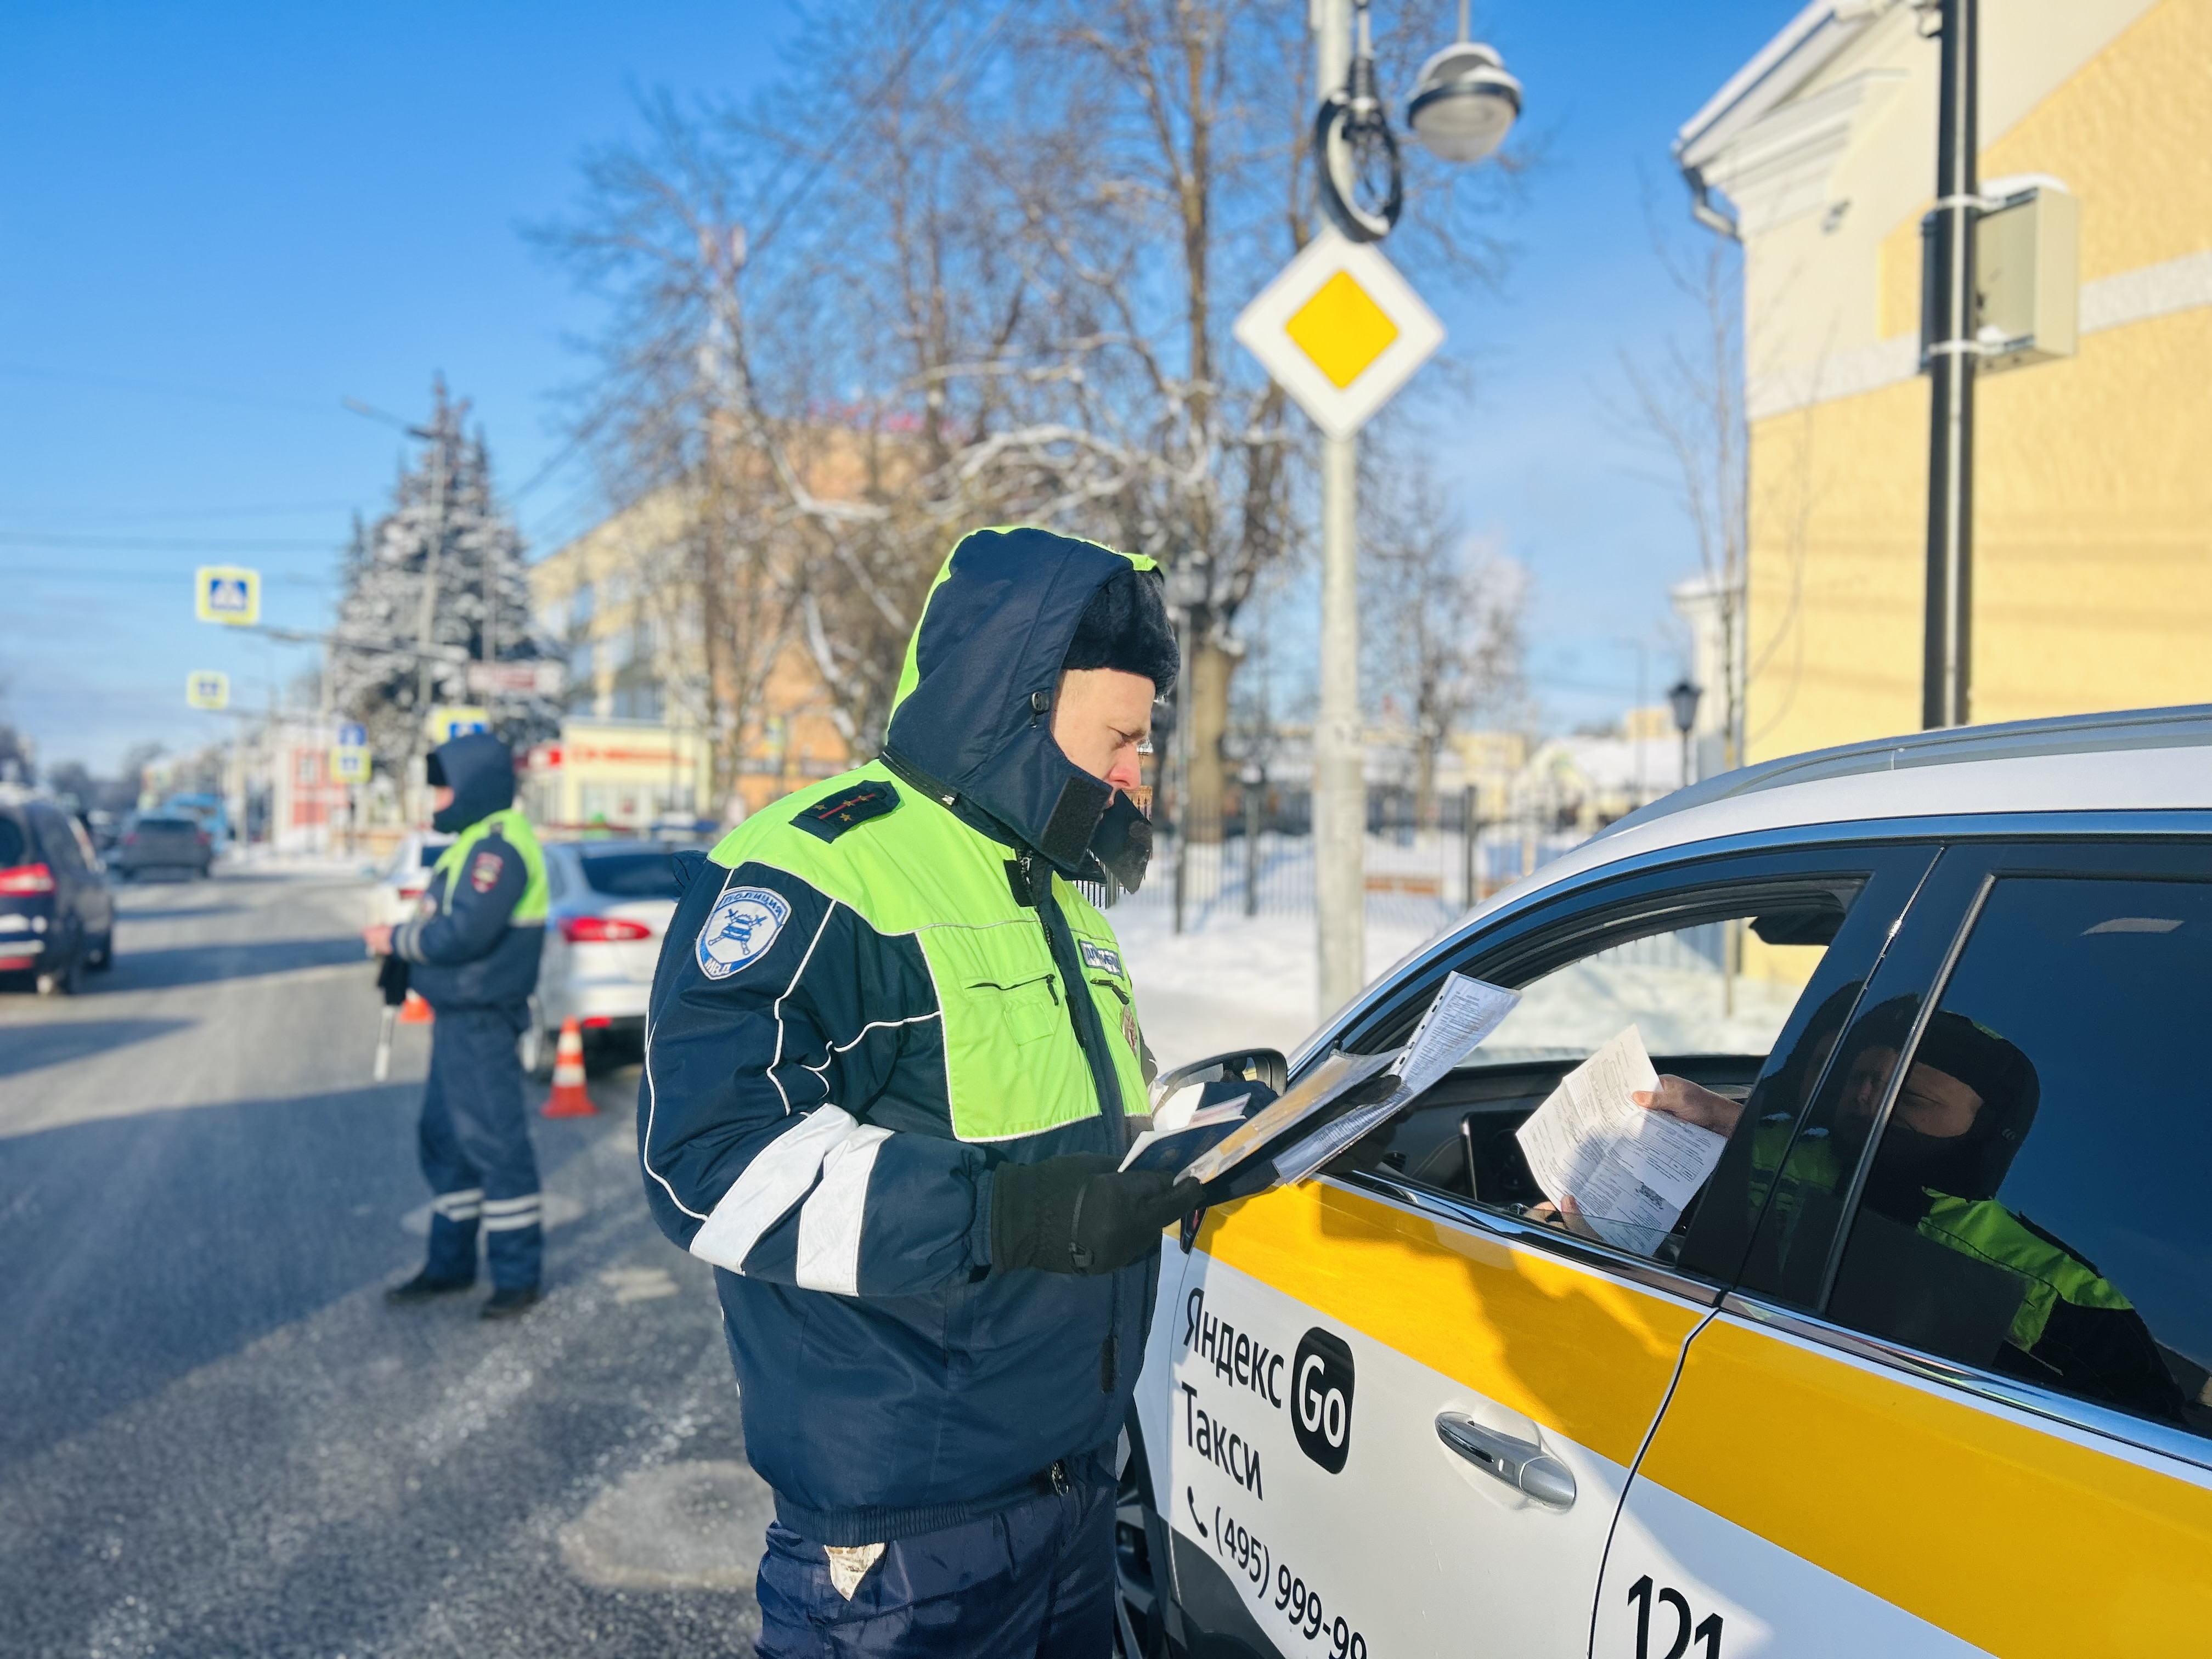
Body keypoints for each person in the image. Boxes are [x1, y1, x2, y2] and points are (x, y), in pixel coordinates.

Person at [639, 527, 1200, 1658]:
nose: (1138, 772)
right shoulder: (817, 869)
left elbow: (1078, 1130)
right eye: (1122, 738)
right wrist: (1009, 1213)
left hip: (1076, 1490)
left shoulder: (1063, 900)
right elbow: (710, 1163)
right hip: (904, 1544)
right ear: (1020, 700)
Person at [1549, 1007, 2185, 1420]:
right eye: (1861, 1079)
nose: (1866, 1099)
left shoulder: (2065, 1289)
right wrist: (1717, 1120)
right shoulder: (1790, 1149)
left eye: (1906, 1094)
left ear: (1988, 1132)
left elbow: (2149, 1434)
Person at [364, 731, 550, 1320]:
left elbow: (462, 934)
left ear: (473, 786)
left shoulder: (499, 848)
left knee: (495, 1146)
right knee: (446, 1145)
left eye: (444, 785)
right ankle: (450, 1265)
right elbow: (439, 922)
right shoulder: (469, 844)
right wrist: (405, 957)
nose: (437, 798)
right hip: (457, 1020)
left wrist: (393, 940)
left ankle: (517, 1277)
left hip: (482, 1022)